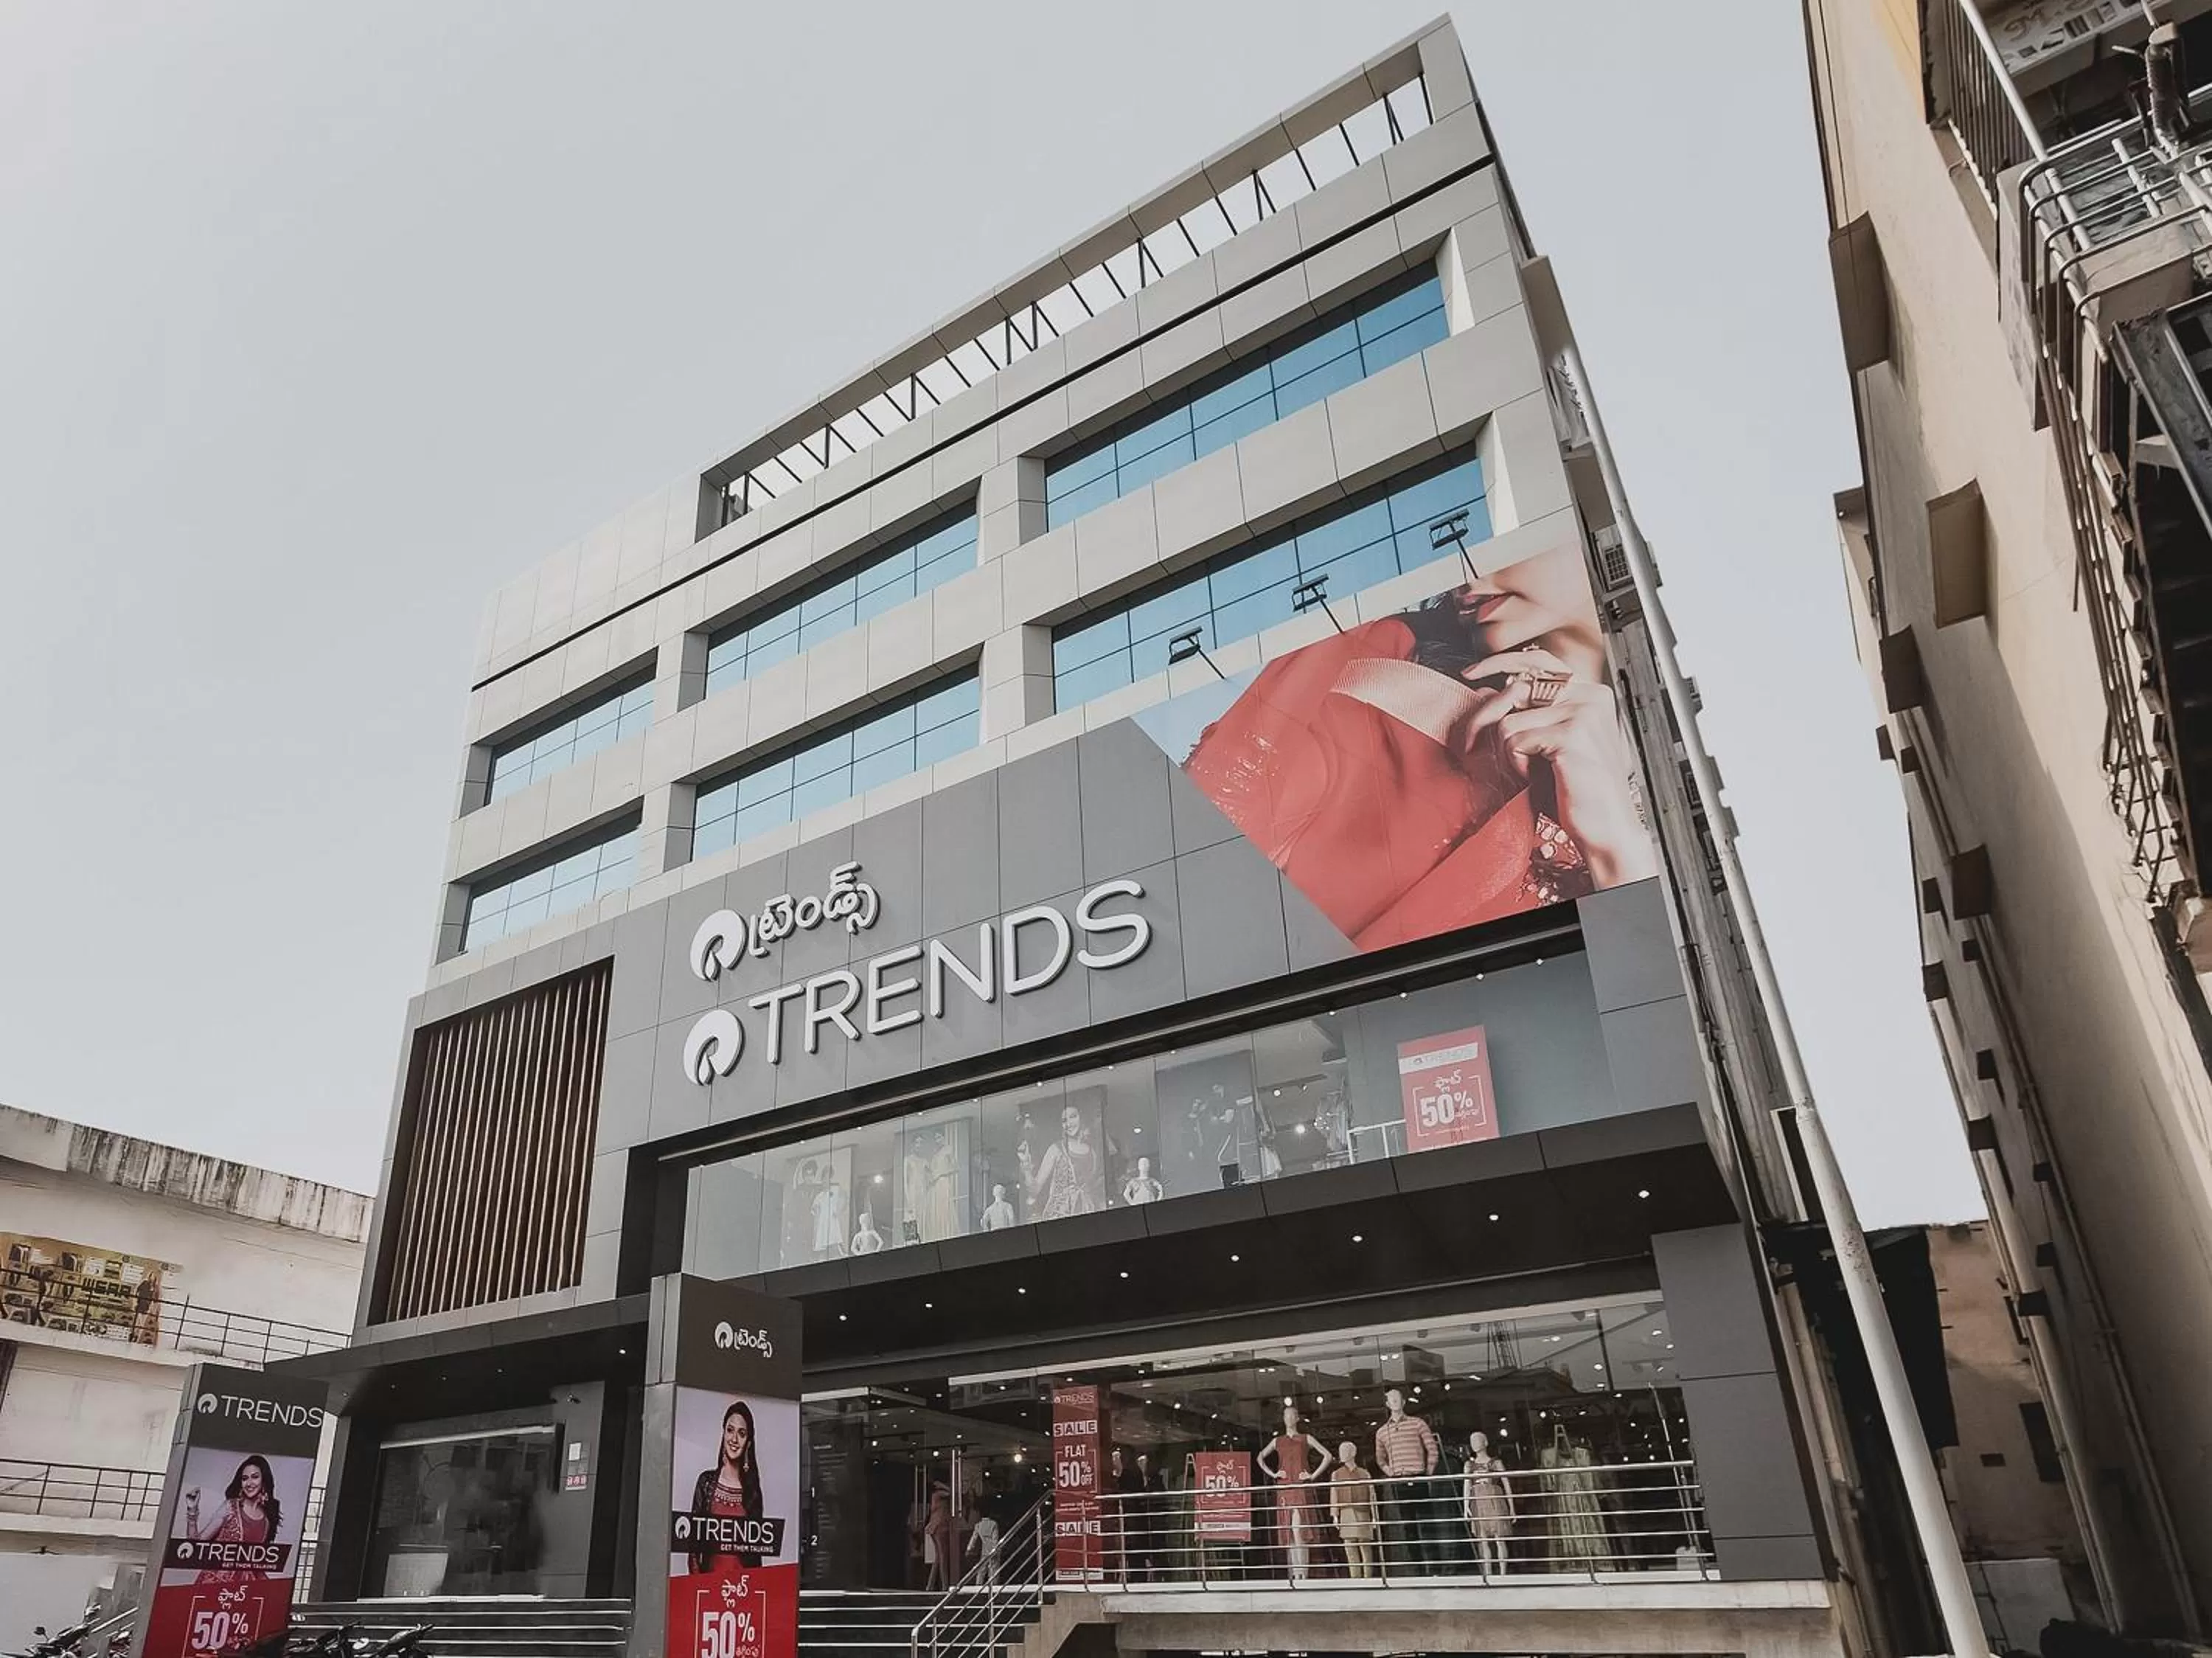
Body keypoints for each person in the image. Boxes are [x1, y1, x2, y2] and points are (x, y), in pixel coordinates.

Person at [1182, 557, 1657, 951]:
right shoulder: (1365, 695)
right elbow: (1192, 876)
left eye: (1500, 533)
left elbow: (1669, 1019)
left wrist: (1616, 844)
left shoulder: (1679, 776)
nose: (1465, 575)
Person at [688, 1400, 765, 1574]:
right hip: (709, 1591)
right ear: (723, 1434)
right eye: (730, 1430)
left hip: (743, 1591)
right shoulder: (706, 1483)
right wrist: (698, 1586)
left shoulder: (752, 1492)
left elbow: (757, 1554)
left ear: (748, 1443)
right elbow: (693, 1548)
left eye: (742, 1433)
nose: (734, 1439)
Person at [182, 1454, 281, 1584]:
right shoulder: (230, 1507)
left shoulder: (267, 1519)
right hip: (214, 1584)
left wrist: (273, 1590)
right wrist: (192, 1510)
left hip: (245, 1589)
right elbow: (195, 1544)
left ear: (264, 1480)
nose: (249, 1483)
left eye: (255, 1477)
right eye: (245, 1478)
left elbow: (257, 1567)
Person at [1019, 1104, 1100, 1221]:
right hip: (1058, 1216)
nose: (1069, 1123)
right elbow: (1035, 1189)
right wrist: (1026, 1167)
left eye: (1073, 1116)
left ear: (1082, 1118)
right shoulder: (1056, 1149)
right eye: (1064, 1120)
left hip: (1087, 1213)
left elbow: (1093, 1187)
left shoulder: (1092, 1152)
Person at [1328, 1441, 1379, 1580]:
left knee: (1365, 1545)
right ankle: (1355, 1577)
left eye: (1344, 1451)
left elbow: (1372, 1495)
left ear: (1353, 1453)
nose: (1341, 1454)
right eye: (1340, 1451)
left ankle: (1368, 1576)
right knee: (1349, 1546)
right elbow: (1334, 1494)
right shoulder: (1337, 1474)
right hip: (1345, 1511)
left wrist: (1375, 1516)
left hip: (1363, 1511)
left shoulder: (1365, 1473)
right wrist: (1335, 1515)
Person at [966, 1501, 1002, 1583]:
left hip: (984, 1550)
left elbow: (974, 1539)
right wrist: (995, 1549)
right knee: (994, 1571)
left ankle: (978, 1587)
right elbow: (995, 1539)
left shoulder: (978, 1525)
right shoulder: (994, 1524)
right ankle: (994, 1588)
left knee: (982, 1571)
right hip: (993, 1550)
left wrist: (969, 1549)